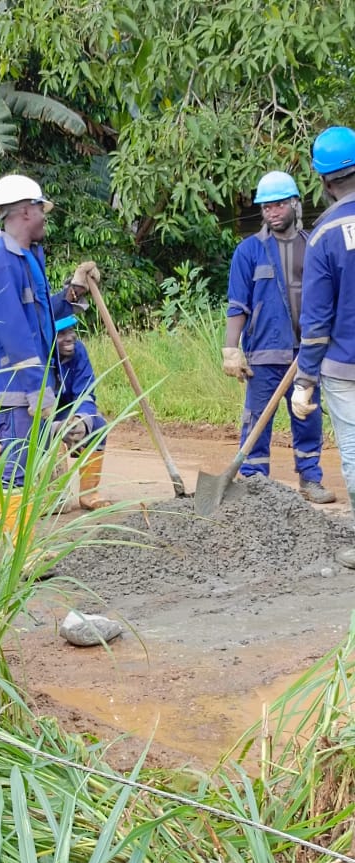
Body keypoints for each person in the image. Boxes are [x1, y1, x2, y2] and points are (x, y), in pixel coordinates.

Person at [0, 171, 99, 536]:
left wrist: (73, 292)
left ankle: (24, 546)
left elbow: (40, 318)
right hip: (14, 387)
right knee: (18, 466)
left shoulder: (28, 257)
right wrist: (36, 391)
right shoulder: (0, 264)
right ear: (26, 210)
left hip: (32, 384)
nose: (45, 216)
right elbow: (14, 336)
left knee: (31, 464)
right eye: (41, 209)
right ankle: (13, 552)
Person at [223, 170, 335, 503]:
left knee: (307, 417)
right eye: (266, 207)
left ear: (295, 204)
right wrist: (231, 349)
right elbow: (237, 305)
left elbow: (329, 298)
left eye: (279, 205)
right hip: (263, 354)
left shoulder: (313, 246)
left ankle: (310, 479)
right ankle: (254, 484)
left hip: (305, 355)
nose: (272, 212)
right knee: (257, 420)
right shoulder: (249, 251)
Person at [291, 126, 355, 568]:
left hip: (345, 369)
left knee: (353, 451)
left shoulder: (324, 235)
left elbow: (315, 324)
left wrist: (304, 381)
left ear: (324, 181)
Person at [51, 294, 110, 509]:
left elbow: (85, 393)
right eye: (61, 333)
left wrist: (81, 420)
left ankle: (88, 493)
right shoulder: (38, 359)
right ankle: (52, 496)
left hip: (68, 413)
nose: (70, 337)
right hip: (39, 419)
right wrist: (56, 427)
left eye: (71, 331)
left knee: (97, 424)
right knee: (47, 437)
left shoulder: (79, 352)